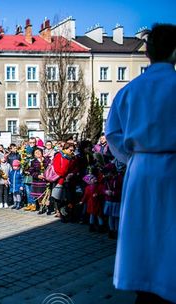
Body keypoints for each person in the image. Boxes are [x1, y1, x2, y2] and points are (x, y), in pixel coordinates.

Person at [105, 23, 176, 304]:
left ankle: (144, 285)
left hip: (142, 170)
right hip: (172, 168)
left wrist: (133, 156)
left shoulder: (130, 90)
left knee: (143, 232)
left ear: (147, 53)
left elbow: (113, 133)